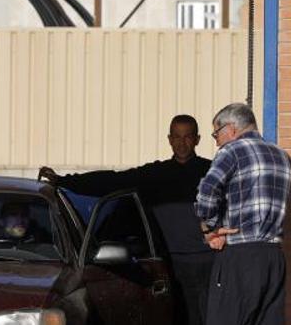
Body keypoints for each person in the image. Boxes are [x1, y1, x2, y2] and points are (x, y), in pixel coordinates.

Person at [39, 114, 214, 325]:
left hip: (207, 262)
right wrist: (64, 180)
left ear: (197, 139)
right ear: (169, 139)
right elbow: (113, 180)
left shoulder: (212, 172)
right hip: (167, 265)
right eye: (177, 136)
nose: (182, 142)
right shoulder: (156, 174)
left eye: (188, 137)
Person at [196, 103, 291, 325]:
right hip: (274, 257)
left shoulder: (231, 152)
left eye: (216, 133)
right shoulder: (282, 156)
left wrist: (210, 227)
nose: (216, 141)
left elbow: (207, 191)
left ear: (230, 128)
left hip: (240, 255)